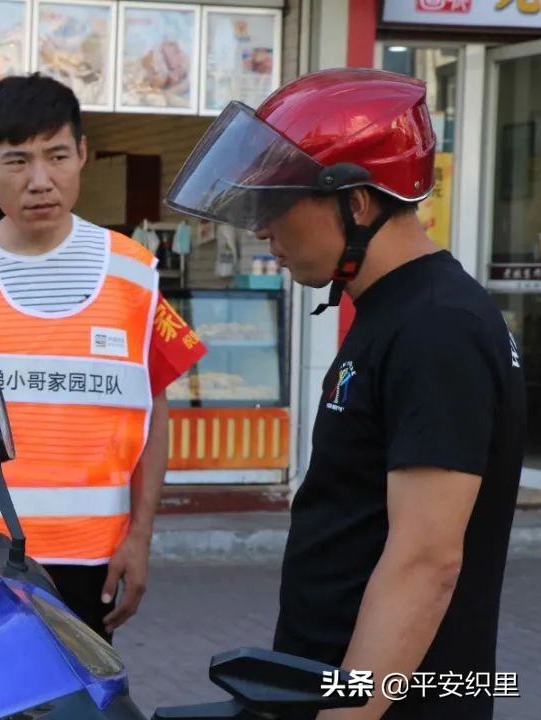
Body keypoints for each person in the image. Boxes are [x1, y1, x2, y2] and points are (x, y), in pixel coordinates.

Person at [165, 68, 526, 719]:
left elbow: (426, 561)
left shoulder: (439, 327)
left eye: (277, 204)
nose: (263, 230)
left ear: (356, 203)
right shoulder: (397, 311)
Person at [0, 73, 207, 643]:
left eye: (57, 156)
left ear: (83, 154)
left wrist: (141, 537)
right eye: (17, 161)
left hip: (90, 565)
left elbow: (152, 415)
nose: (40, 181)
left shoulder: (135, 272)